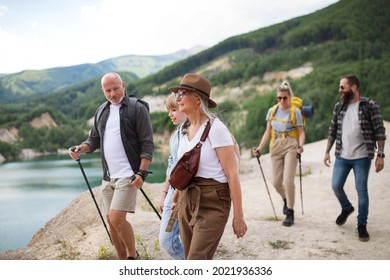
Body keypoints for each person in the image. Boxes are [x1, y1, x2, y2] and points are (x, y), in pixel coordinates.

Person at [68, 72, 154, 259]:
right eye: (108, 90)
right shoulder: (101, 111)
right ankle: (121, 259)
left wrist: (142, 172)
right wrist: (80, 149)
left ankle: (133, 257)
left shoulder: (137, 108)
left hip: (128, 175)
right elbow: (94, 140)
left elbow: (147, 143)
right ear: (103, 91)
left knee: (116, 218)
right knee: (110, 221)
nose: (113, 93)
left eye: (116, 88)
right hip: (108, 176)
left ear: (123, 85)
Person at [168, 73, 247, 260]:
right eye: (177, 92)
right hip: (187, 200)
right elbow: (186, 169)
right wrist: (176, 199)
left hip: (213, 201)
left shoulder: (216, 129)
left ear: (197, 98)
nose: (177, 97)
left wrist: (239, 216)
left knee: (196, 260)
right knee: (191, 258)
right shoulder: (185, 131)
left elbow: (232, 175)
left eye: (183, 92)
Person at [323, 74, 386, 242]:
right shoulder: (339, 107)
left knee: (362, 191)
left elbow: (380, 130)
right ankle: (346, 208)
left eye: (342, 87)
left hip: (362, 157)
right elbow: (332, 130)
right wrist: (327, 151)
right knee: (336, 186)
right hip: (342, 156)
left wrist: (380, 155)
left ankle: (362, 225)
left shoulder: (369, 106)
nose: (340, 90)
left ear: (353, 88)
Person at [253, 80, 305, 227]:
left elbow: (301, 132)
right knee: (276, 182)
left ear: (289, 97)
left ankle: (290, 211)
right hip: (276, 146)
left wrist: (300, 145)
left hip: (291, 144)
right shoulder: (272, 111)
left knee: (288, 181)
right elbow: (267, 132)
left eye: (284, 98)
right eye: (279, 98)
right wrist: (260, 148)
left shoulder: (295, 112)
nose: (282, 101)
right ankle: (285, 199)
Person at [158, 93, 185, 260]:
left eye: (173, 109)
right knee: (166, 240)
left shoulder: (192, 133)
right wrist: (164, 193)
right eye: (169, 110)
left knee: (169, 240)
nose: (170, 114)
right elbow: (171, 164)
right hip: (173, 192)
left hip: (184, 192)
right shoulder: (175, 135)